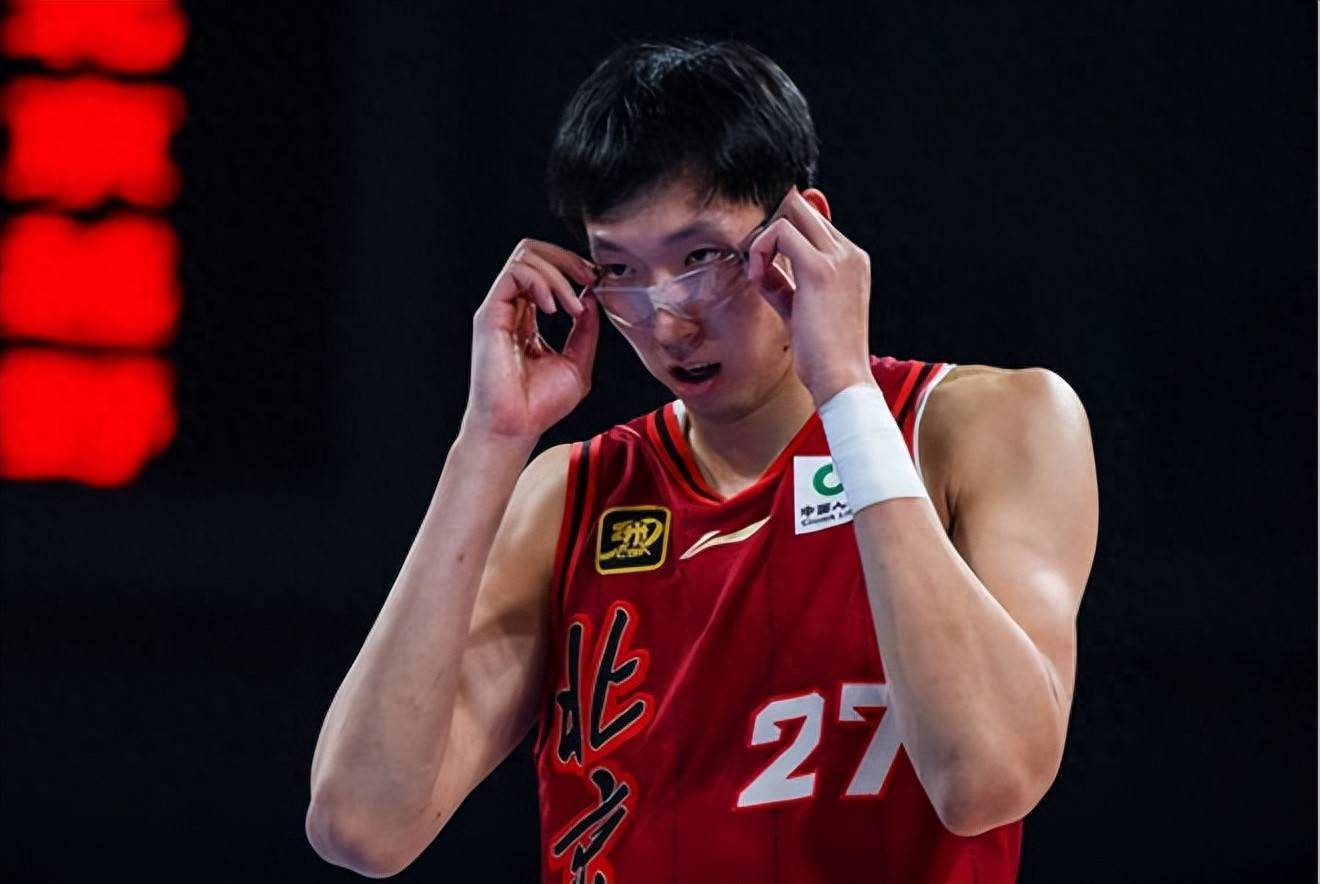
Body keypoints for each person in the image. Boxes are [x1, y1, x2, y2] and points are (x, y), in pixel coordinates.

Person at [305, 36, 1098, 883]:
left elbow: (987, 781)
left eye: (700, 260)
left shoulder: (987, 426)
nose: (668, 320)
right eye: (621, 270)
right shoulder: (568, 497)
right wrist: (488, 442)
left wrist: (845, 393)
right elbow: (360, 826)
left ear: (805, 231)